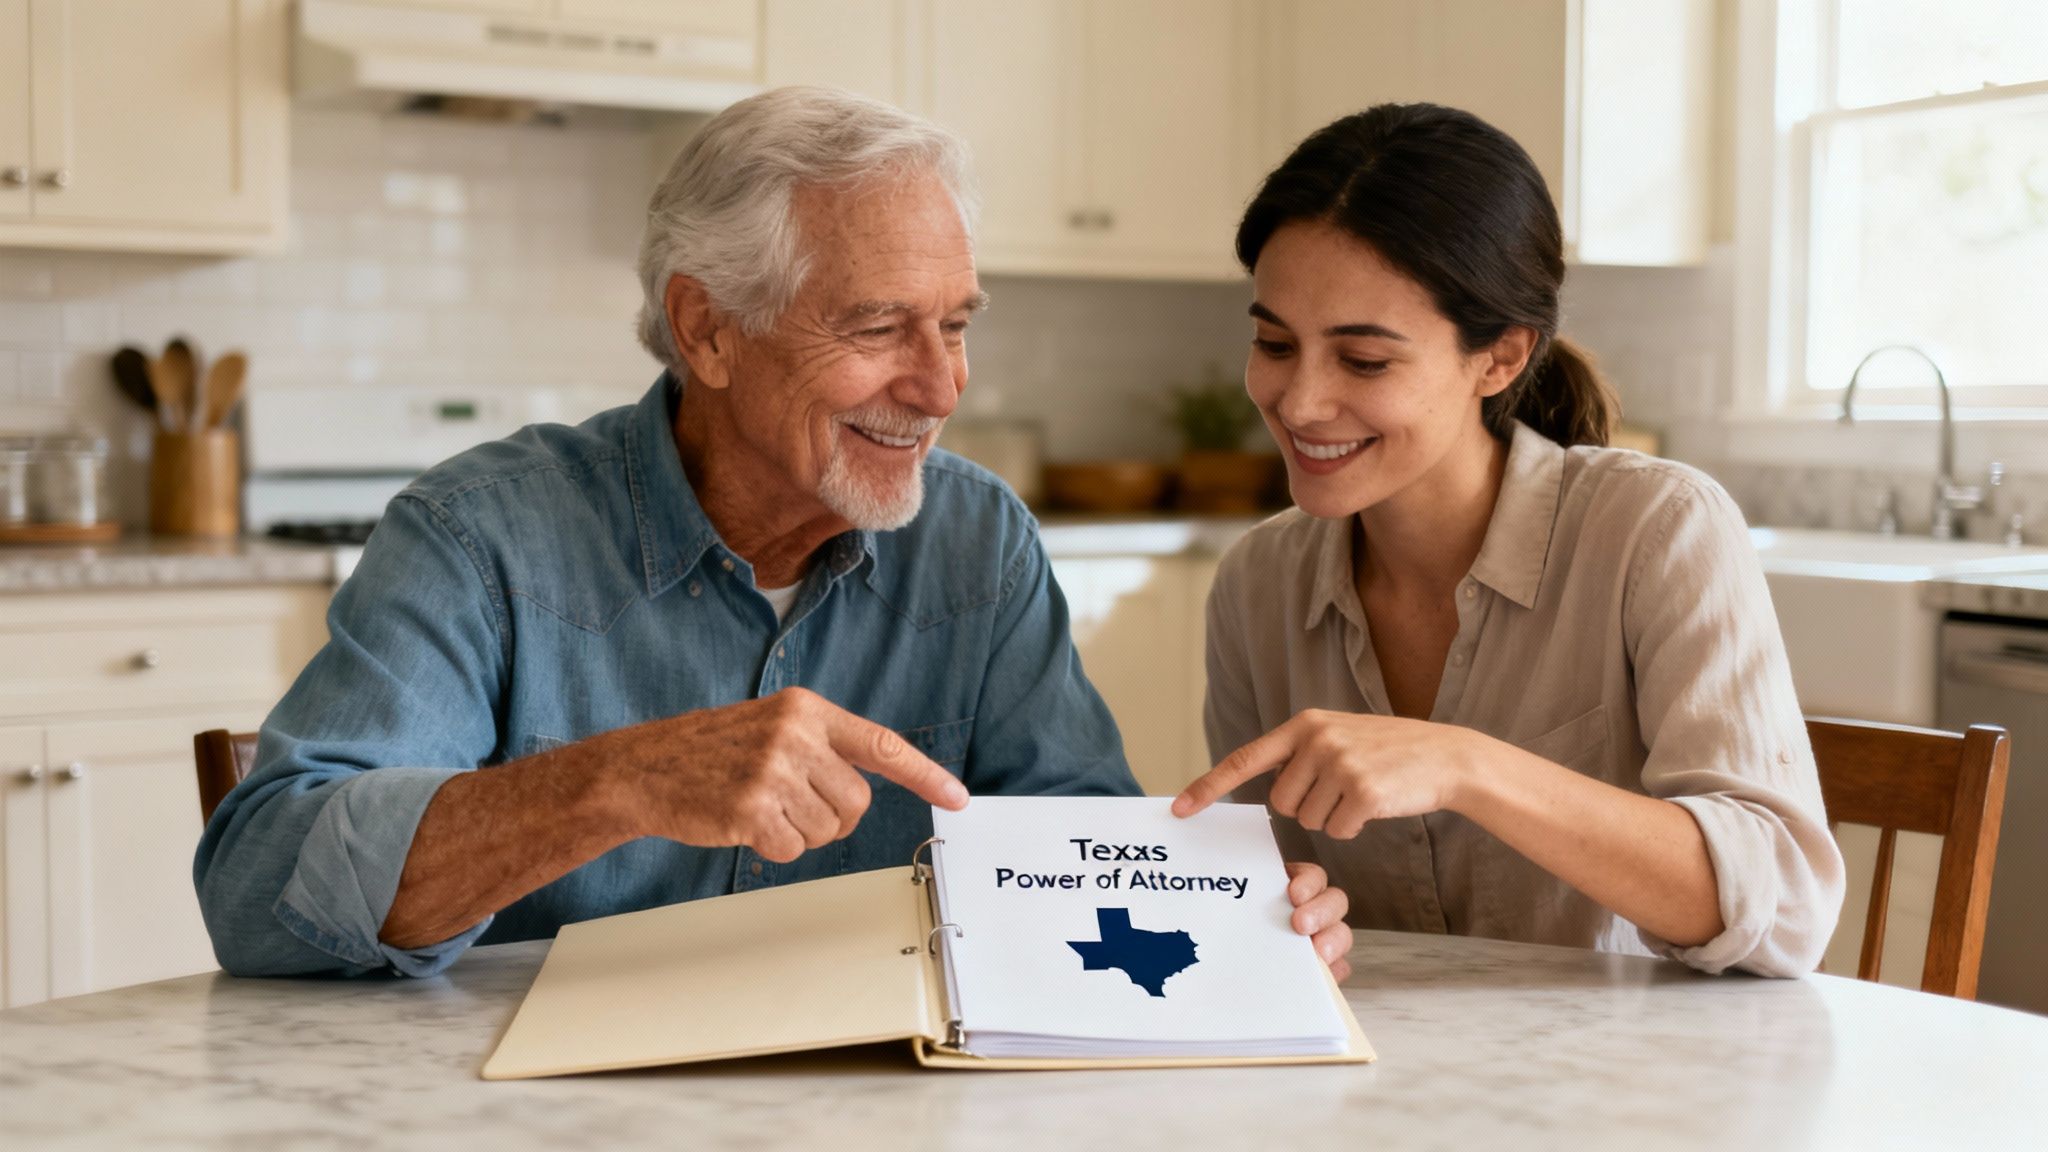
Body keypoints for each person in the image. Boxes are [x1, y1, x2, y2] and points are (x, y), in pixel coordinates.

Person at [195, 87, 1354, 980]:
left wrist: (1239, 924)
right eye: (877, 327)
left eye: (955, 324)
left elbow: (1081, 854)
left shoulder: (974, 540)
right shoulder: (480, 538)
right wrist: (616, 782)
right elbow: (260, 892)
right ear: (705, 329)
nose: (941, 385)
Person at [1174, 103, 1843, 976]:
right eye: (1273, 342)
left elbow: (1786, 907)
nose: (1298, 403)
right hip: (1371, 1085)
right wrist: (1284, 916)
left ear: (1500, 357)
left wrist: (1465, 766)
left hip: (1636, 1089)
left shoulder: (1656, 529)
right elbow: (1255, 888)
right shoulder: (1258, 582)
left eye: (1364, 361)